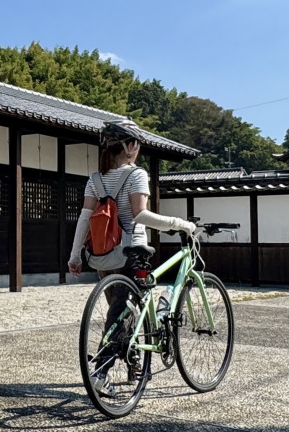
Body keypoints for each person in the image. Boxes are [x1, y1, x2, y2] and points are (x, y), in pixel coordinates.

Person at [67, 119, 197, 394]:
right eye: (137, 145)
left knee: (122, 311)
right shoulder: (137, 174)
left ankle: (135, 362)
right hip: (131, 253)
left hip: (103, 255)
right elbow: (140, 214)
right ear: (130, 146)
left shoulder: (95, 179)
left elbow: (85, 217)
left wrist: (75, 254)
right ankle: (101, 371)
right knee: (123, 315)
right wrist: (180, 224)